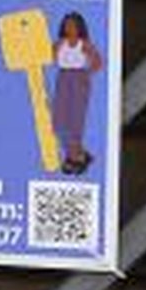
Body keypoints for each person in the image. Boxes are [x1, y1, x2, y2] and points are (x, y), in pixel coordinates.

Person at [44, 11, 101, 174]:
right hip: (63, 77)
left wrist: (86, 74)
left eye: (73, 25)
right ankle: (80, 155)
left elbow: (97, 62)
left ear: (80, 27)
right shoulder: (59, 43)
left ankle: (73, 158)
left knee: (75, 120)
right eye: (67, 25)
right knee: (59, 120)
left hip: (78, 78)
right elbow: (48, 57)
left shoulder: (84, 44)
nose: (70, 28)